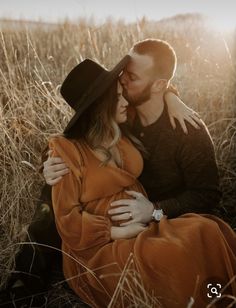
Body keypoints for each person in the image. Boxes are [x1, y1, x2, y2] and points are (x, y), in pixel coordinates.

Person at [46, 56, 236, 308]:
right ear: (99, 107)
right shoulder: (67, 151)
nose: (125, 100)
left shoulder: (121, 125)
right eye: (117, 97)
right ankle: (205, 301)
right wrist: (115, 231)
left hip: (144, 221)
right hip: (100, 244)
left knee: (206, 231)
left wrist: (172, 96)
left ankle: (219, 297)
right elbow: (67, 221)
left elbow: (155, 92)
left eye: (122, 92)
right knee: (173, 256)